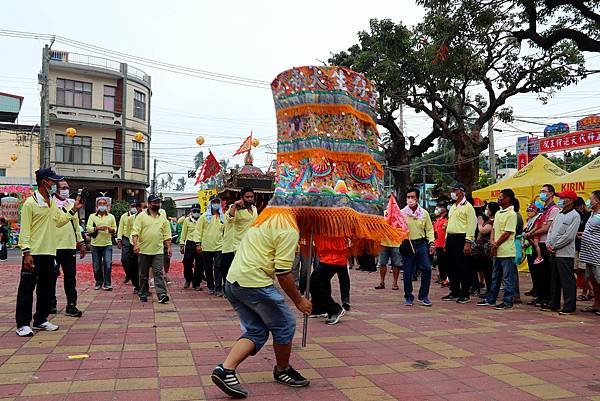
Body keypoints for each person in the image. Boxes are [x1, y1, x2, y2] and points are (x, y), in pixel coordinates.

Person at [211, 212, 311, 398]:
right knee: (285, 324)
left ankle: (226, 369)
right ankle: (283, 370)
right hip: (253, 283)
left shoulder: (268, 216)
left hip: (234, 281)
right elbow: (283, 272)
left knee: (257, 331)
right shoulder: (289, 229)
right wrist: (299, 300)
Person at [16, 168, 83, 337]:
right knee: (26, 289)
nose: (54, 185)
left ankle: (41, 319)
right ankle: (22, 324)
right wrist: (26, 252)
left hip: (49, 252)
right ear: (44, 181)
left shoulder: (52, 202)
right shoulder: (30, 203)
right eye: (52, 181)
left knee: (45, 288)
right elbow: (24, 230)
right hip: (33, 252)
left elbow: (59, 221)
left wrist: (74, 209)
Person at [49, 179, 86, 317]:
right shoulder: (50, 203)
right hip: (52, 245)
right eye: (63, 187)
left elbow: (76, 225)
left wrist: (81, 242)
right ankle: (51, 303)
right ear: (56, 189)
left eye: (67, 187)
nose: (66, 190)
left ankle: (71, 305)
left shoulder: (73, 203)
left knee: (70, 277)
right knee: (51, 276)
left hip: (69, 246)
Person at [544, 190, 581, 315]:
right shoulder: (559, 214)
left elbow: (569, 236)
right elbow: (551, 230)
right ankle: (553, 303)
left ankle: (569, 305)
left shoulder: (575, 215)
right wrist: (548, 244)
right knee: (554, 279)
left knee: (567, 280)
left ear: (570, 200)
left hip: (564, 253)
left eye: (562, 198)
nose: (560, 200)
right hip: (553, 251)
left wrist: (555, 246)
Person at [132, 194, 172, 303]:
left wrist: (168, 247)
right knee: (143, 274)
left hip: (158, 250)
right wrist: (136, 245)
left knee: (158, 272)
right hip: (144, 250)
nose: (156, 204)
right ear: (149, 204)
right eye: (154, 202)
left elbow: (166, 235)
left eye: (158, 202)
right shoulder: (141, 216)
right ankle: (143, 292)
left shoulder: (162, 217)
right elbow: (135, 232)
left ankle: (162, 294)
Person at [525, 184, 560, 309]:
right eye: (541, 191)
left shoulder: (554, 209)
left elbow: (546, 228)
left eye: (544, 191)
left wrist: (530, 233)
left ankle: (547, 298)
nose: (541, 194)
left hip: (545, 244)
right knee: (537, 272)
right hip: (536, 243)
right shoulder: (543, 210)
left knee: (546, 273)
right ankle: (539, 296)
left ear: (551, 193)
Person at [400, 188, 435, 307]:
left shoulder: (424, 213)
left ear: (417, 198)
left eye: (412, 197)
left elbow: (429, 229)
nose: (410, 199)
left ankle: (424, 295)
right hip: (407, 245)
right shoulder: (401, 213)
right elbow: (396, 228)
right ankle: (408, 296)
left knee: (427, 269)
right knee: (408, 272)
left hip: (421, 244)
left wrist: (431, 243)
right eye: (408, 197)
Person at [443, 183, 477, 304]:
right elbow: (449, 224)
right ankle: (454, 291)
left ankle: (465, 293)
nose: (452, 192)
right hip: (451, 238)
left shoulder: (468, 207)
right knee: (451, 266)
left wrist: (468, 242)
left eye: (454, 190)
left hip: (462, 238)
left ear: (461, 192)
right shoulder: (452, 206)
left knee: (463, 266)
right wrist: (446, 241)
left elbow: (471, 225)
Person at [220, 188, 258, 287]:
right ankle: (228, 289)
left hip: (250, 244)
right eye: (247, 197)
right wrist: (235, 206)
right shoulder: (235, 208)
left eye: (251, 197)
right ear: (241, 198)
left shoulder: (254, 209)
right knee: (230, 270)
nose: (250, 199)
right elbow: (229, 219)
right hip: (236, 245)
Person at [309, 236, 349, 324]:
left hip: (333, 257)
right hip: (329, 256)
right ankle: (319, 309)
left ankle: (334, 309)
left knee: (315, 283)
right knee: (321, 282)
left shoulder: (331, 224)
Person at [196, 197, 225, 296]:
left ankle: (218, 288)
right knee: (208, 268)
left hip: (220, 246)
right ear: (210, 203)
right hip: (207, 246)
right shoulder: (204, 217)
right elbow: (198, 231)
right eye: (214, 202)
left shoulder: (223, 217)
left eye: (218, 202)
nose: (216, 204)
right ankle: (210, 287)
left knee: (218, 267)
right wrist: (198, 244)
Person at [86, 197, 117, 291]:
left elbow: (114, 229)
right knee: (96, 266)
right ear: (97, 206)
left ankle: (107, 283)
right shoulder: (92, 216)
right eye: (100, 204)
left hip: (107, 244)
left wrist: (110, 229)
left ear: (107, 206)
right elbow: (88, 228)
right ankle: (99, 282)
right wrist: (98, 228)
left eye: (104, 204)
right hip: (95, 244)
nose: (102, 206)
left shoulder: (111, 217)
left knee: (108, 264)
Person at [579, 190, 600, 315]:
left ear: (597, 201)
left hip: (598, 254)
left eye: (591, 199)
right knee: (593, 280)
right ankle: (596, 304)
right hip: (589, 254)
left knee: (599, 280)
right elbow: (590, 232)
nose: (589, 201)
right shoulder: (592, 214)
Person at [473, 202, 499, 297]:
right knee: (485, 270)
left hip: (487, 250)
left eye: (487, 208)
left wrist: (480, 224)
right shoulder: (489, 220)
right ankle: (488, 290)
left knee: (489, 271)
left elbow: (483, 230)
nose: (486, 210)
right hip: (483, 250)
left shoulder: (493, 221)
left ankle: (490, 291)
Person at [523, 202, 544, 305]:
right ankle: (535, 288)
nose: (529, 212)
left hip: (535, 243)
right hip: (529, 247)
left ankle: (539, 291)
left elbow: (536, 229)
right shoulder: (529, 220)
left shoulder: (539, 218)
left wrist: (529, 234)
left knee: (538, 271)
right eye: (528, 210)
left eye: (531, 210)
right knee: (533, 270)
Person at [179, 205, 203, 290]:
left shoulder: (203, 219)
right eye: (194, 211)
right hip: (190, 243)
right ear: (191, 211)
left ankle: (197, 283)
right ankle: (188, 279)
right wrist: (182, 244)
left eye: (198, 211)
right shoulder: (187, 220)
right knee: (187, 263)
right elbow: (183, 232)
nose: (196, 213)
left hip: (200, 244)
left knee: (200, 264)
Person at [574, 197, 593, 301]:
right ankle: (591, 289)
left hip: (585, 246)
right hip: (576, 245)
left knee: (584, 269)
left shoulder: (590, 215)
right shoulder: (576, 214)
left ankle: (585, 292)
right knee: (576, 269)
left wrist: (581, 233)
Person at [117, 201, 139, 287]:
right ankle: (128, 274)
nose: (133, 207)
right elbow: (120, 227)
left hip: (136, 239)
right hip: (126, 238)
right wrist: (119, 239)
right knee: (124, 259)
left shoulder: (139, 216)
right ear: (129, 207)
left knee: (135, 260)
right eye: (132, 206)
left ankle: (133, 276)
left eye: (135, 206)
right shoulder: (124, 216)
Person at [433, 204, 449, 287]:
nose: (438, 209)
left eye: (440, 207)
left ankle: (446, 279)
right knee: (440, 263)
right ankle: (442, 278)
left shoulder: (447, 219)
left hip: (444, 244)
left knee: (445, 263)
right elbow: (435, 232)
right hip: (438, 244)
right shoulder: (438, 219)